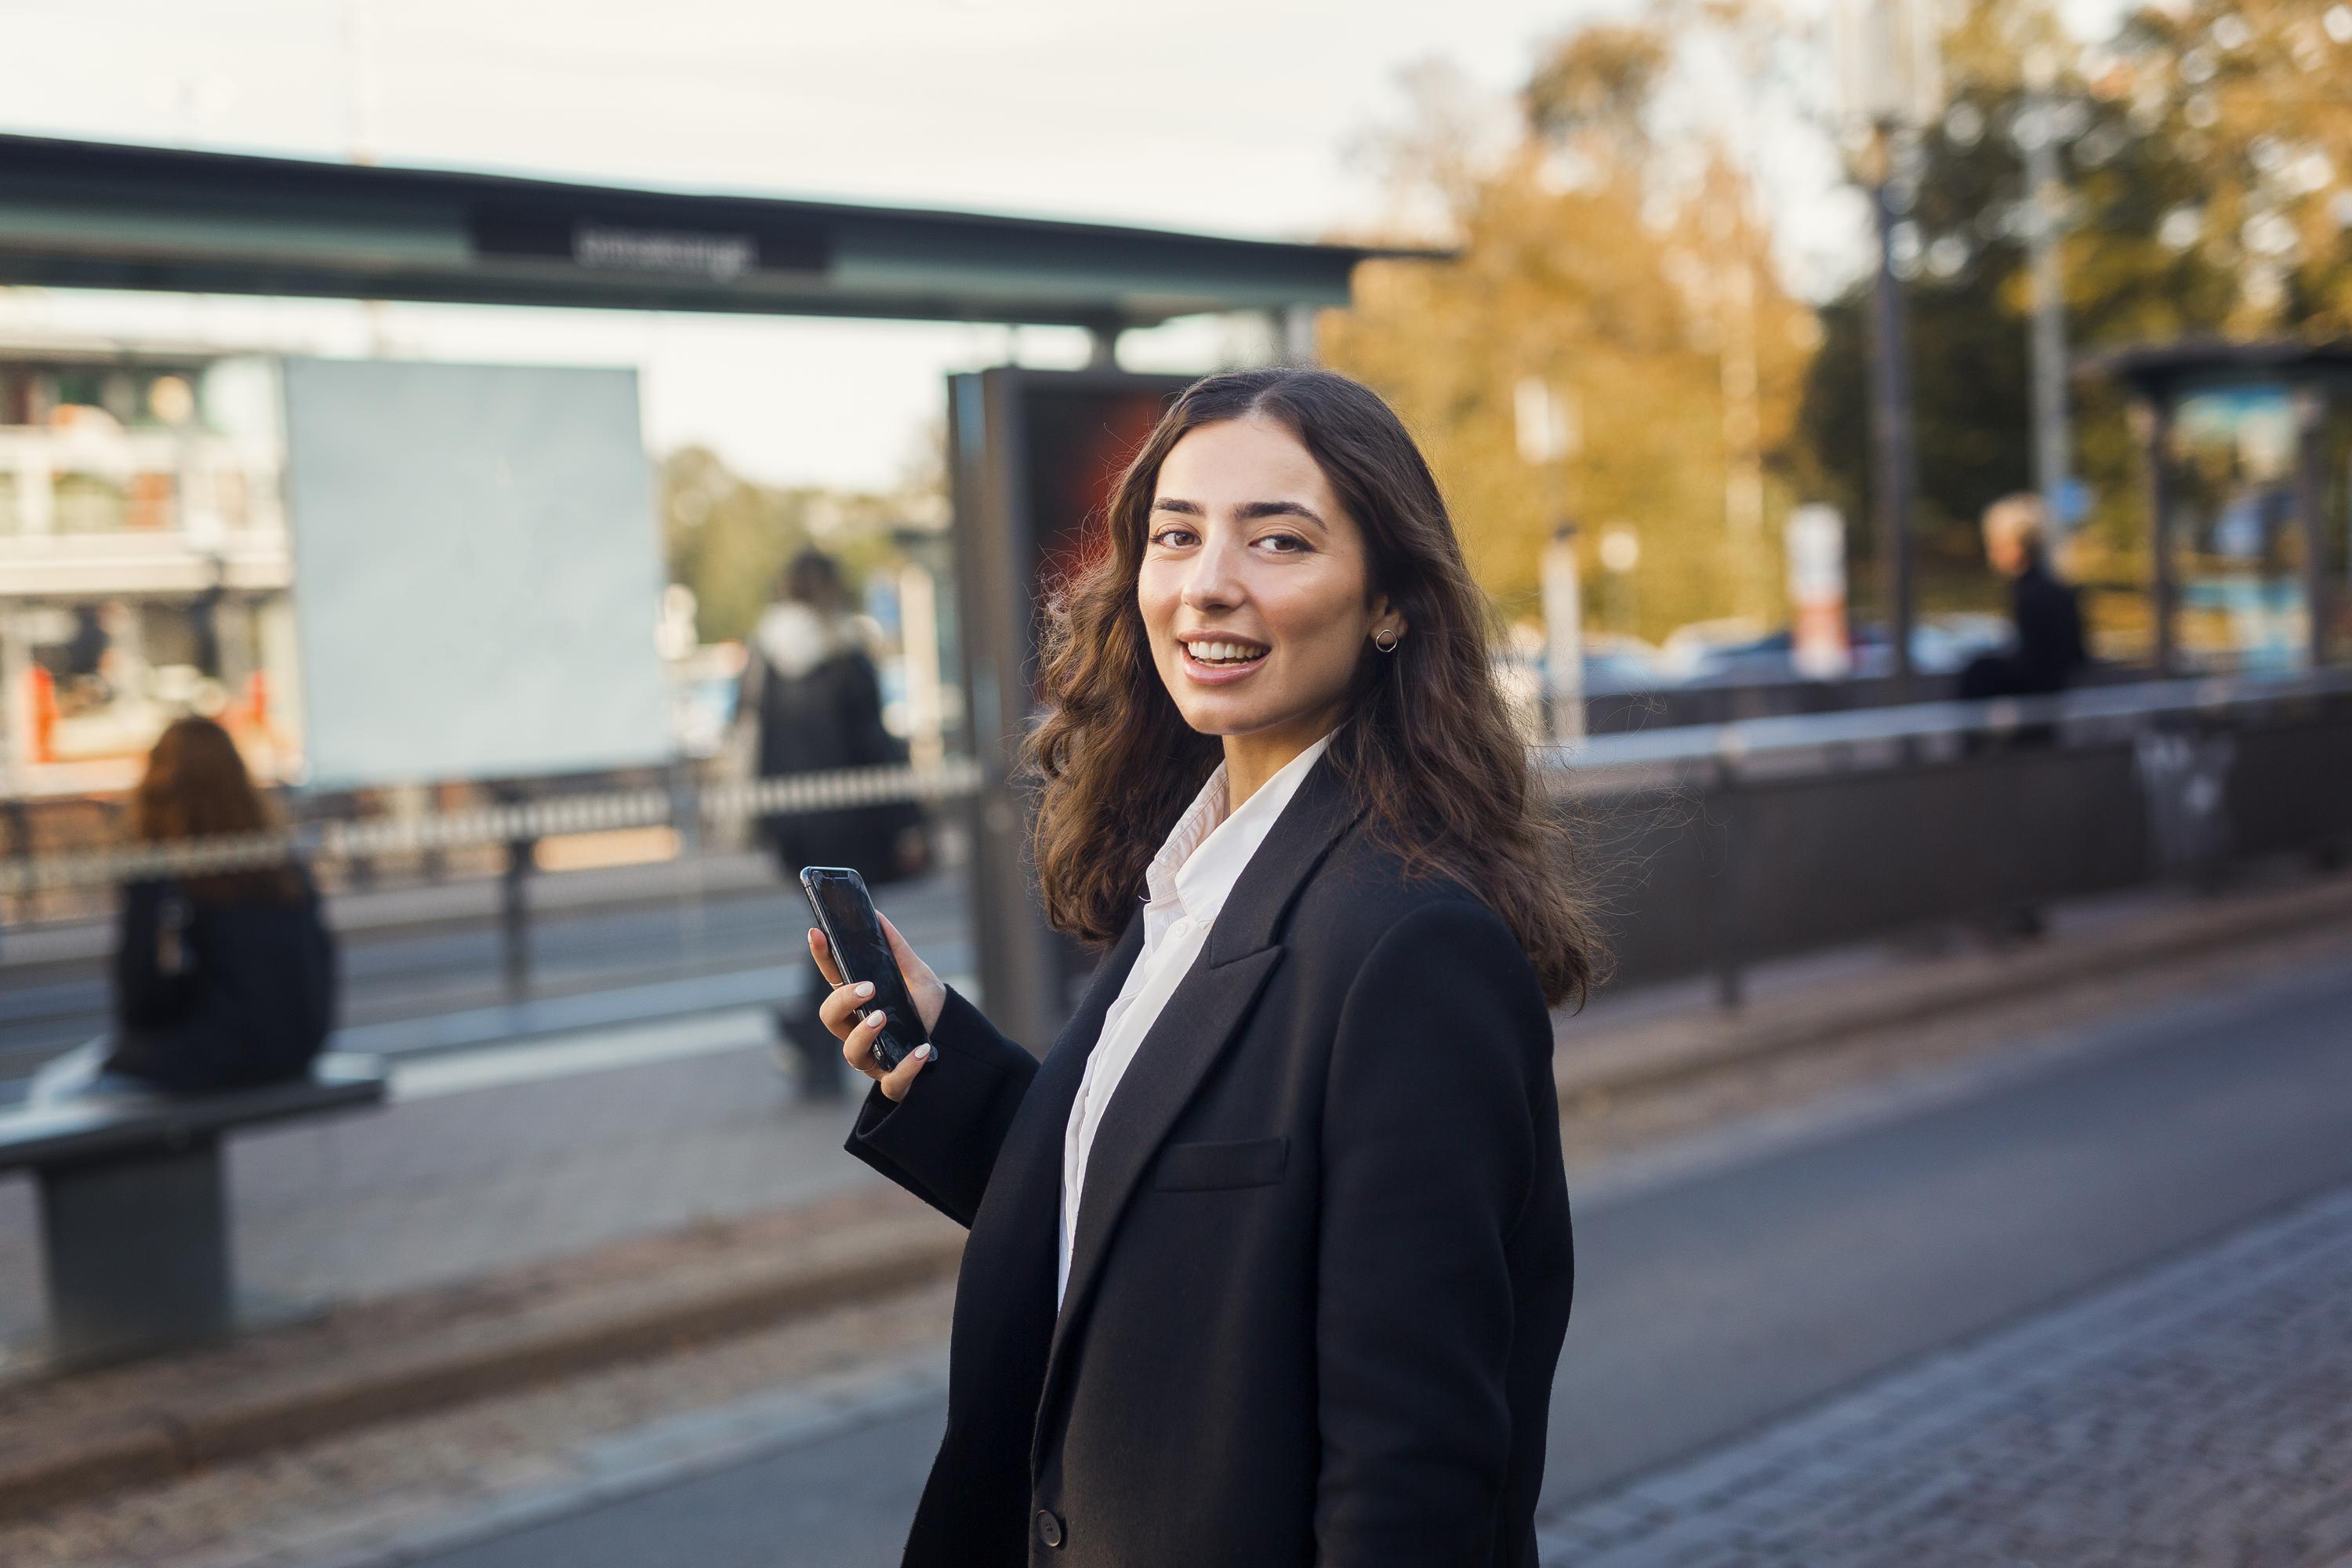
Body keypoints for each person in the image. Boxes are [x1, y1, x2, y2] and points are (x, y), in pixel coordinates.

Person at [809, 368, 1596, 1566]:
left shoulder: (1416, 948)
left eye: (1278, 540)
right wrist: (949, 1069)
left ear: (1389, 600)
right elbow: (1171, 1218)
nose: (1208, 583)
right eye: (1176, 537)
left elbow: (1414, 1477)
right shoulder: (1197, 877)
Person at [30, 717, 336, 1104]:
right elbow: (320, 960)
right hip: (297, 1048)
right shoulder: (278, 862)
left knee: (55, 1090)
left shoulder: (161, 871)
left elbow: (139, 1004)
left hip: (213, 1056)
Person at [741, 549, 930, 1102]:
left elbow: (761, 744)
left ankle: (812, 1036)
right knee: (849, 933)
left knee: (831, 933)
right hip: (853, 818)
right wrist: (908, 819)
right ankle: (832, 1036)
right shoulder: (846, 653)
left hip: (796, 819)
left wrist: (769, 821)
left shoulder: (767, 656)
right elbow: (875, 742)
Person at [1958, 493, 2088, 700]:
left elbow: (2036, 669)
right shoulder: (2056, 591)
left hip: (2042, 706)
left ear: (2015, 548)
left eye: (1996, 545)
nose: (1992, 554)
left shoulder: (2030, 595)